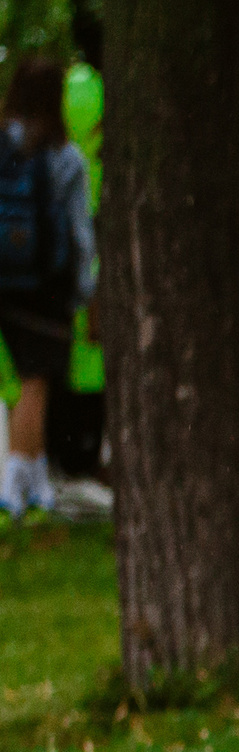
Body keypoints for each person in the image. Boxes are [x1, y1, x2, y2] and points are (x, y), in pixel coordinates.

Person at [0, 56, 95, 520]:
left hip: (5, 288)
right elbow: (79, 234)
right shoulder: (64, 156)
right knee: (37, 384)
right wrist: (84, 289)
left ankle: (36, 483)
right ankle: (15, 486)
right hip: (45, 289)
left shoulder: (2, 146)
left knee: (22, 382)